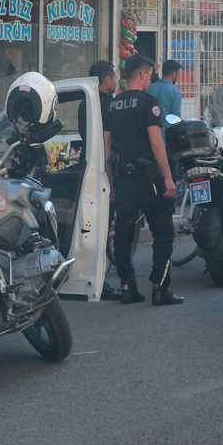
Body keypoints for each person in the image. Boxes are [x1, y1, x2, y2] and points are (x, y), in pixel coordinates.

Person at [104, 54, 183, 306]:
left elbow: (107, 148)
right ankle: (160, 288)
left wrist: (111, 181)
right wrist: (168, 177)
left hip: (122, 178)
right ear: (141, 74)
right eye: (149, 75)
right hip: (148, 179)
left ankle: (127, 287)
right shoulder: (149, 102)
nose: (150, 79)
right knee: (163, 231)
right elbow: (155, 141)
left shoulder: (112, 104)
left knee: (124, 233)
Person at [87, 59, 123, 301]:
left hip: (87, 167)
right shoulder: (110, 105)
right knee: (102, 228)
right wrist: (111, 181)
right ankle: (98, 282)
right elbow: (107, 146)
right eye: (114, 78)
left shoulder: (86, 103)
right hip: (104, 170)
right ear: (107, 80)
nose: (116, 82)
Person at [147, 59, 184, 129]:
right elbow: (175, 119)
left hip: (149, 136)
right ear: (174, 74)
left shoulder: (149, 88)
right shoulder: (175, 92)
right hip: (167, 136)